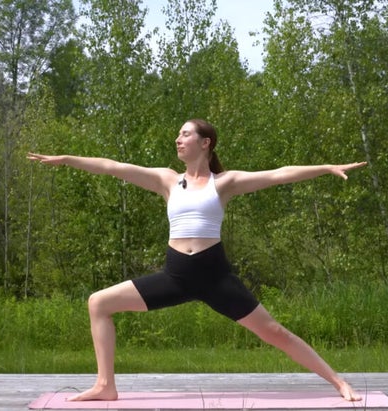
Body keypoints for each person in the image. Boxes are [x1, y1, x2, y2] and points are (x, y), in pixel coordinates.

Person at [27, 119, 367, 402]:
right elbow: (114, 168)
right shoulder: (166, 180)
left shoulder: (225, 183)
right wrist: (68, 159)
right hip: (175, 275)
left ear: (206, 143)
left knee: (275, 332)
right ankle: (105, 385)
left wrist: (326, 168)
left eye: (185, 134)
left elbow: (279, 173)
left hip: (215, 277)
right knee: (98, 303)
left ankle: (339, 382)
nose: (178, 138)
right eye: (177, 133)